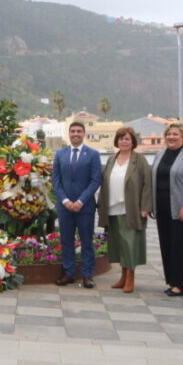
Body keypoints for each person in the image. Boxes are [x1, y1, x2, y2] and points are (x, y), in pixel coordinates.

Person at [96, 126, 151, 293]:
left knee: (130, 243)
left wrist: (145, 207)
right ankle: (123, 275)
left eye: (127, 139)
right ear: (117, 141)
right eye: (121, 138)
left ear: (133, 141)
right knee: (118, 244)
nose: (124, 141)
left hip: (131, 209)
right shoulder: (112, 159)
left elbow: (148, 184)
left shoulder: (139, 160)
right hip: (112, 208)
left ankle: (130, 277)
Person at [150, 122, 183, 297]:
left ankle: (181, 284)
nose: (171, 137)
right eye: (169, 134)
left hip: (182, 210)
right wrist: (152, 205)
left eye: (175, 134)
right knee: (167, 245)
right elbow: (154, 180)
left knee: (181, 247)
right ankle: (172, 281)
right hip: (163, 208)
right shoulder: (159, 154)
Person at [52, 121, 102, 288]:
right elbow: (56, 180)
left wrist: (81, 201)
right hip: (64, 207)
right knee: (66, 240)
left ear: (84, 133)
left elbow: (95, 181)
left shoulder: (93, 154)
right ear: (69, 133)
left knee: (87, 240)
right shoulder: (60, 154)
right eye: (73, 131)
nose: (75, 134)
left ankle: (87, 275)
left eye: (79, 131)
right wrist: (65, 200)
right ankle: (68, 273)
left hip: (85, 206)